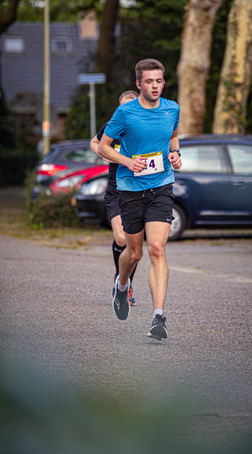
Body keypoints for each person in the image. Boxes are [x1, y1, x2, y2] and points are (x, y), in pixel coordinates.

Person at [97, 59, 182, 340]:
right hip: (130, 188)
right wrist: (127, 161)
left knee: (157, 248)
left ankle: (159, 317)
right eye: (149, 81)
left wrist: (175, 154)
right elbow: (103, 148)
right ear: (139, 84)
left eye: (159, 81)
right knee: (134, 253)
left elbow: (173, 136)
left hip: (161, 185)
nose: (155, 86)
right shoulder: (125, 113)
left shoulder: (172, 109)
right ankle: (121, 286)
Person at [90, 90, 139, 306]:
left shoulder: (145, 128)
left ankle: (124, 284)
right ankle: (120, 281)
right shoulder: (112, 127)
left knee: (133, 245)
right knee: (121, 239)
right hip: (116, 190)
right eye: (123, 108)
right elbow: (95, 142)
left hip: (139, 190)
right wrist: (104, 153)